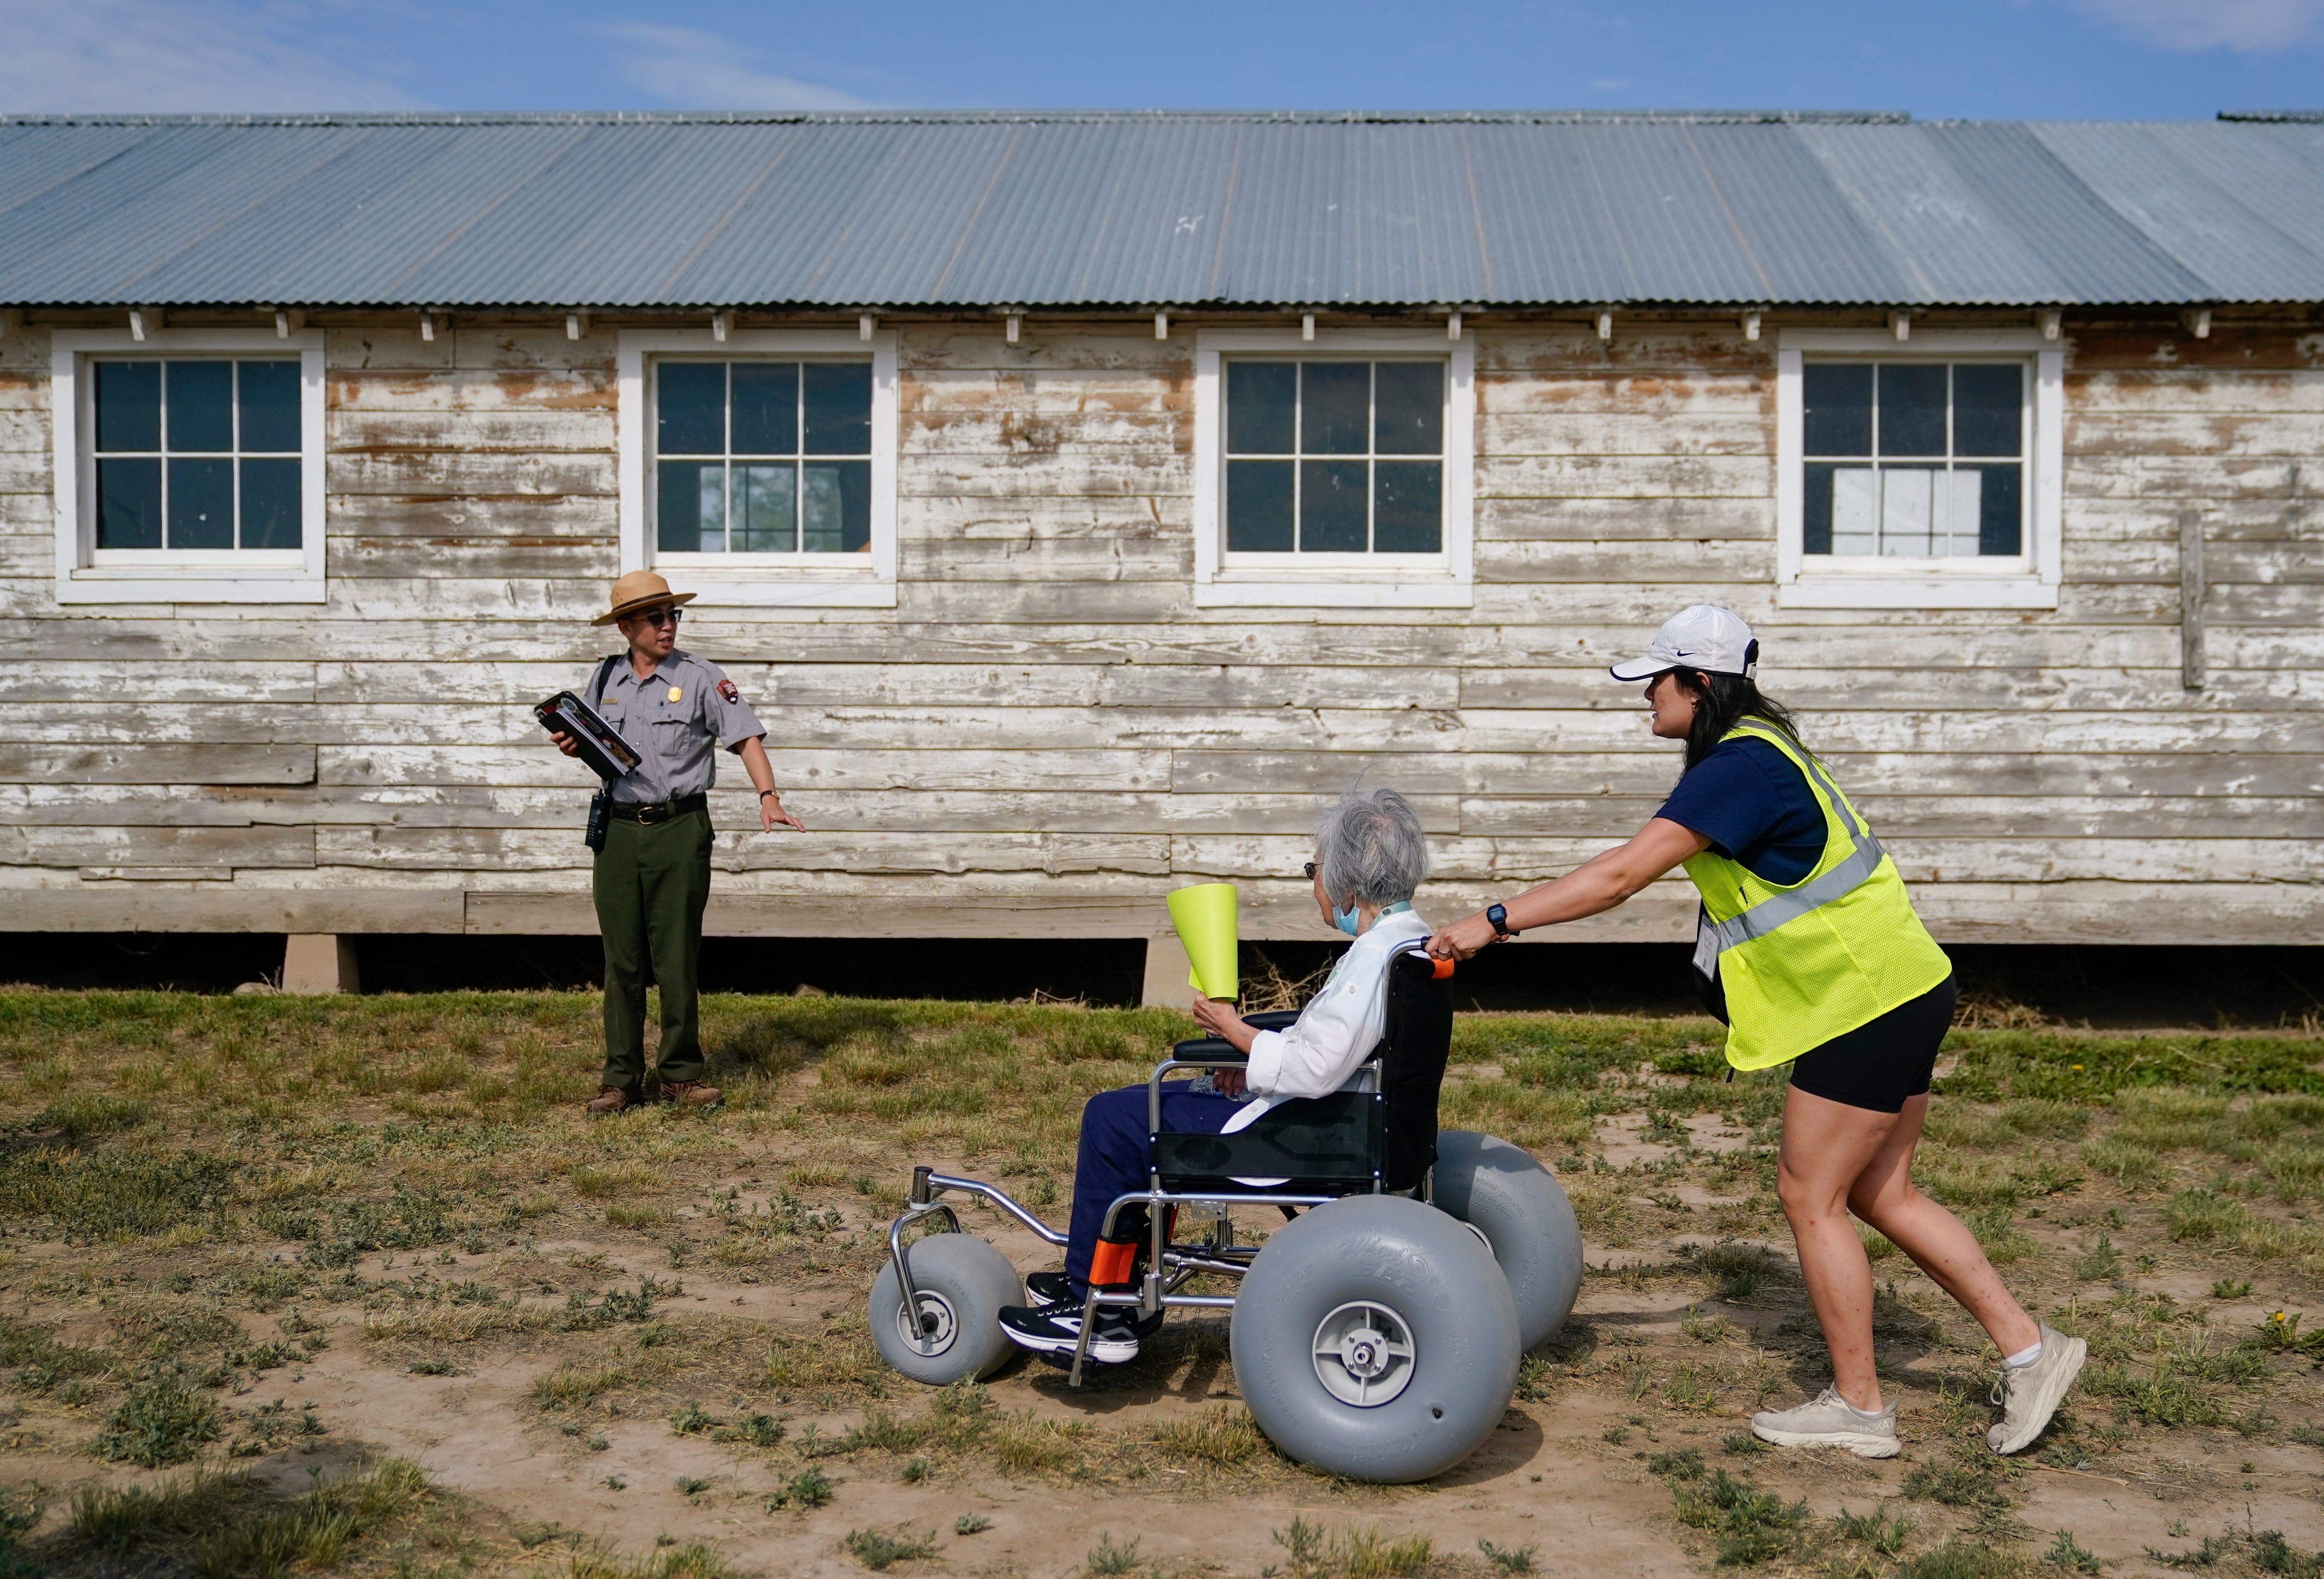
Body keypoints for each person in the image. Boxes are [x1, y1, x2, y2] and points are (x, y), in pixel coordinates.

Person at [1425, 606, 2082, 1460]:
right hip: (1902, 984)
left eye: (1655, 682)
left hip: (1865, 1002)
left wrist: (1494, 920)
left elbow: (1621, 875)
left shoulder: (1738, 768)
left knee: (1811, 1197)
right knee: (1885, 1196)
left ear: (1698, 685)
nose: (1644, 699)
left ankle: (1861, 1408)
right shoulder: (1767, 751)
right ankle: (2032, 1351)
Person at [997, 787, 1434, 1365]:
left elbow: (1315, 1065)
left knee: (1115, 1117)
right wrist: (1250, 1061)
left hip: (1306, 1130)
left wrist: (1232, 1031)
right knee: (1143, 1106)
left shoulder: (1371, 960)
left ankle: (1097, 1305)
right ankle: (1114, 1280)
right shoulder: (1413, 942)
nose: (1314, 884)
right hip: (1346, 1118)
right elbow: (1325, 1050)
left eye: (1315, 870)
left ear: (1350, 883)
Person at [551, 571, 806, 1115]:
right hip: (618, 830)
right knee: (621, 960)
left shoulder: (699, 677)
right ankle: (621, 1080)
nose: (668, 627)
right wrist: (572, 745)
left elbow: (747, 738)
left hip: (679, 829)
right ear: (626, 628)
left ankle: (681, 1076)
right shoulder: (605, 679)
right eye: (656, 618)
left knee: (674, 957)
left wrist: (769, 795)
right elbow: (601, 749)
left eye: (673, 616)